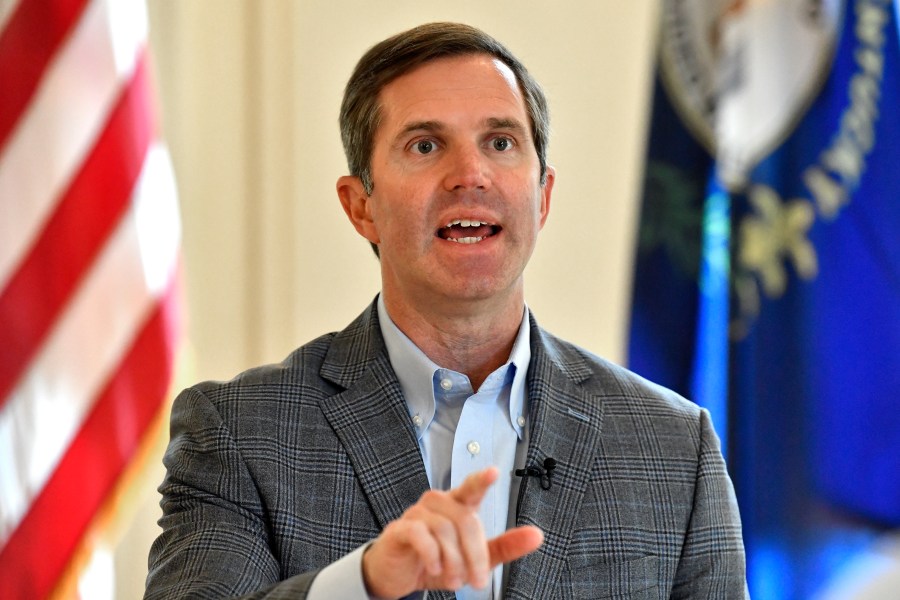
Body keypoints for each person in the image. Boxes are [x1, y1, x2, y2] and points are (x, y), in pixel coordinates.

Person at [144, 22, 748, 600]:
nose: (471, 174)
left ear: (543, 197)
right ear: (362, 208)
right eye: (426, 145)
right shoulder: (238, 432)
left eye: (501, 142)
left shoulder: (674, 447)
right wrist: (365, 582)